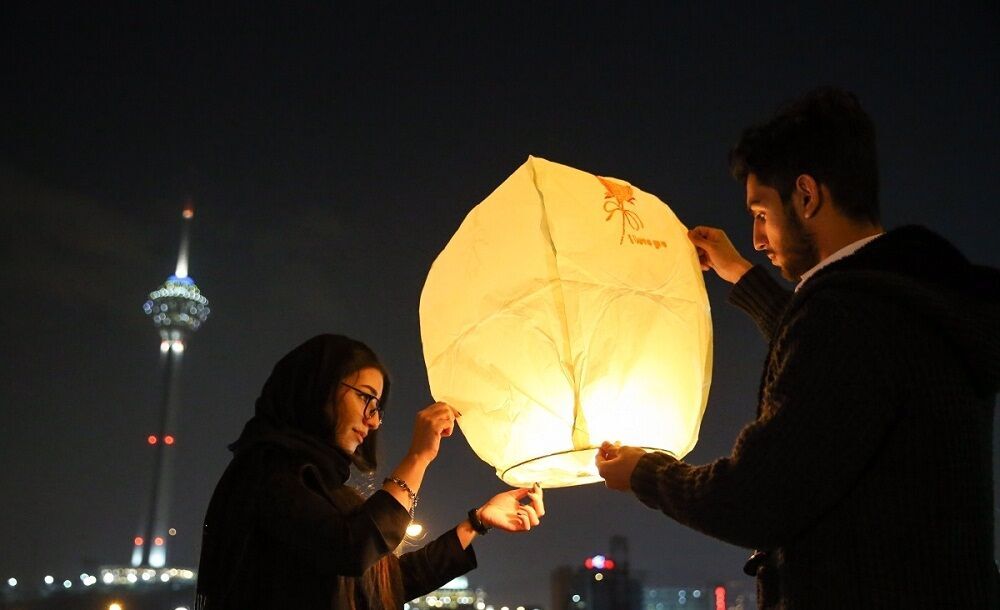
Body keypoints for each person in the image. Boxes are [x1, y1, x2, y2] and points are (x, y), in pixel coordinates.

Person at [596, 88, 999, 608]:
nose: (759, 238)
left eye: (761, 213)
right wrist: (740, 274)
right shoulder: (916, 292)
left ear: (806, 196)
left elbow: (754, 497)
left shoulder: (847, 318)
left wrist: (646, 473)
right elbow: (841, 371)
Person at [196, 334, 545, 609]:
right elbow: (351, 548)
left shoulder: (324, 488)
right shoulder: (265, 472)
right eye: (366, 398)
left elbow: (386, 583)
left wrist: (477, 523)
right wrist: (419, 457)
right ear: (318, 387)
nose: (374, 420)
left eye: (378, 407)